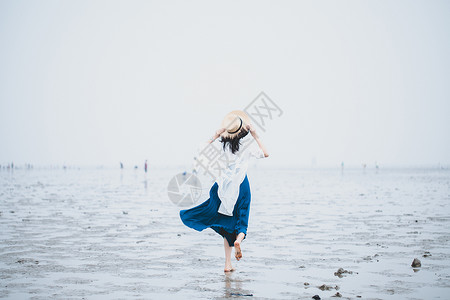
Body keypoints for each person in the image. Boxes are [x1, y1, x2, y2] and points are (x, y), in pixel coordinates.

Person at [180, 110, 269, 272]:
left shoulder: (220, 146)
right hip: (241, 186)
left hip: (222, 188)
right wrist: (255, 135)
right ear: (242, 132)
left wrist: (215, 134)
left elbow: (202, 148)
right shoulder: (246, 147)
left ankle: (228, 264)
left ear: (227, 131)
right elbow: (265, 153)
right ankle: (239, 241)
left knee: (226, 224)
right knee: (242, 220)